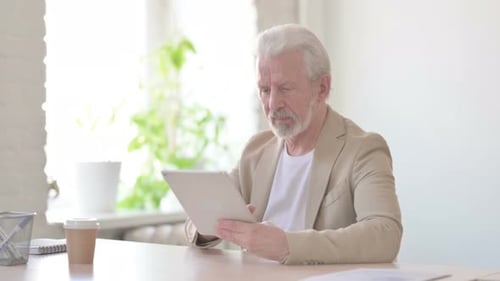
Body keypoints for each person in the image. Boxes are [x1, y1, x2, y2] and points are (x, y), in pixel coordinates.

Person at [184, 23, 402, 265]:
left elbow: (385, 234)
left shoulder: (363, 149)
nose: (273, 103)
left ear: (322, 88)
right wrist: (211, 227)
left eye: (285, 88)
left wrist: (287, 245)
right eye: (264, 90)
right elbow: (196, 224)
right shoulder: (256, 151)